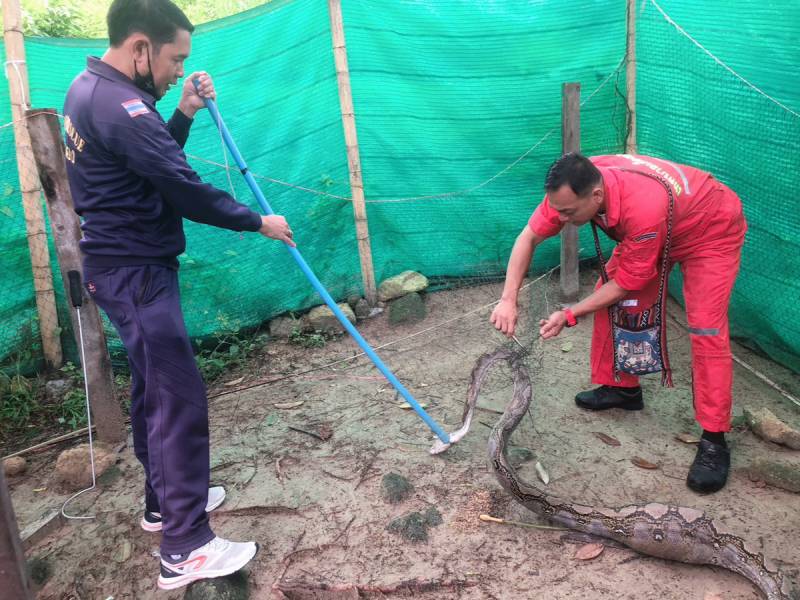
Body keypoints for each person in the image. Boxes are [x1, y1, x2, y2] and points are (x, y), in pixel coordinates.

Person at [63, 0, 294, 589]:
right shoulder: (121, 107)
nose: (176, 70)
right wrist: (255, 221)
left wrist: (185, 111)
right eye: (174, 59)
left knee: (152, 392)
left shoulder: (91, 91)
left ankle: (162, 504)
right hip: (135, 272)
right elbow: (181, 186)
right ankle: (185, 547)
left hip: (122, 267)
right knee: (178, 399)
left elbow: (147, 162)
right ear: (140, 47)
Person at [491, 153, 746, 494]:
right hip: (658, 225)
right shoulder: (572, 185)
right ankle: (623, 388)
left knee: (706, 329)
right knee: (611, 302)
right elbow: (529, 237)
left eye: (567, 213)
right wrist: (508, 298)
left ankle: (714, 440)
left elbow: (627, 283)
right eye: (558, 210)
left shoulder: (642, 208)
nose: (561, 217)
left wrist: (570, 313)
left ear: (595, 197)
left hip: (708, 227)